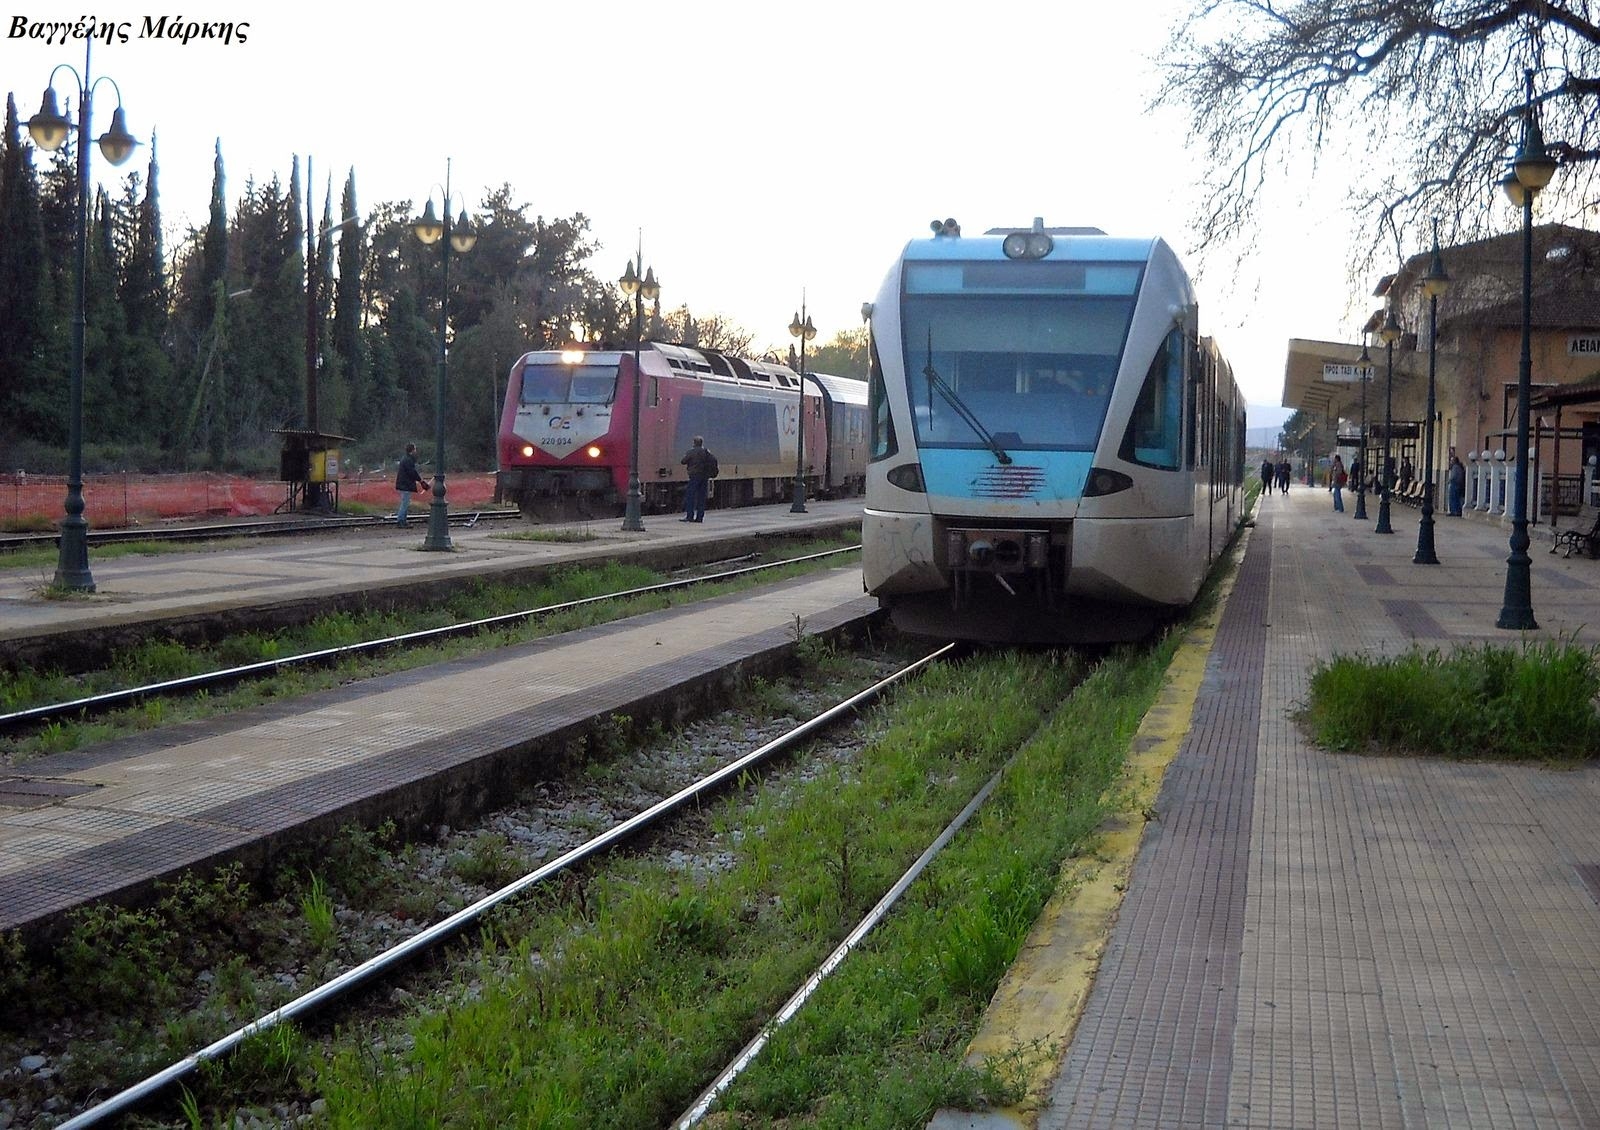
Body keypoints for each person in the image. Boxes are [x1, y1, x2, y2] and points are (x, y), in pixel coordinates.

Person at [680, 435, 717, 522]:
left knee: (691, 496)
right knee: (701, 497)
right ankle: (700, 517)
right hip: (704, 477)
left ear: (694, 443)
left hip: (694, 476)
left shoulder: (691, 452)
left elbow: (683, 461)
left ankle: (690, 516)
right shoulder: (706, 452)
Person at [394, 443, 426, 527]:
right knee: (405, 503)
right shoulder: (408, 460)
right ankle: (401, 521)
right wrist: (421, 480)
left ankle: (403, 520)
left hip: (403, 484)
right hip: (405, 485)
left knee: (405, 502)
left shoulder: (405, 459)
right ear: (412, 450)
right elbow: (412, 472)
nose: (416, 451)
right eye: (415, 449)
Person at [1447, 451, 1466, 516]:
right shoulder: (1459, 467)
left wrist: (1449, 480)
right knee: (1457, 499)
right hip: (1459, 484)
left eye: (1451, 461)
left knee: (1453, 498)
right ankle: (1457, 511)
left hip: (1454, 484)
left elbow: (1453, 476)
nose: (1450, 462)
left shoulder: (1455, 467)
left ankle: (1454, 511)